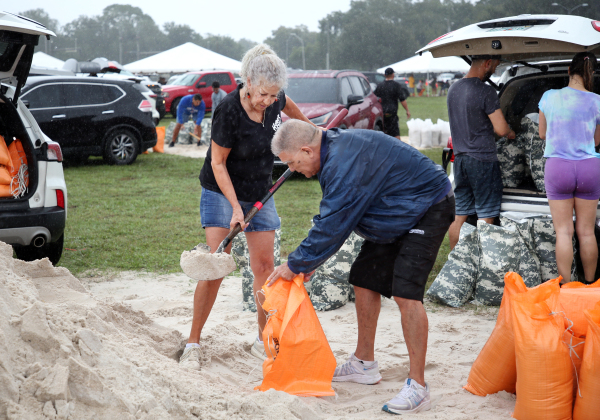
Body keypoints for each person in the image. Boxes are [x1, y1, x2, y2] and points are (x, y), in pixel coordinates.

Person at [267, 120, 455, 415]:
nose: (293, 170)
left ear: (306, 149)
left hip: (427, 206)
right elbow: (335, 218)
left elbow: (333, 225)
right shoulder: (332, 151)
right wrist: (310, 260)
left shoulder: (343, 163)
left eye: (292, 163)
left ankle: (418, 386)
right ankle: (364, 363)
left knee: (406, 293)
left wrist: (297, 263)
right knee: (363, 279)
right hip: (392, 210)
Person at [178, 44, 315, 370]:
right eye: (263, 95)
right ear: (249, 81)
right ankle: (193, 343)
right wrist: (234, 208)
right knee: (215, 266)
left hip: (259, 191)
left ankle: (263, 340)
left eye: (273, 96)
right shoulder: (228, 110)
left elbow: (292, 110)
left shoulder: (275, 98)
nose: (268, 102)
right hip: (220, 188)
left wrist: (313, 134)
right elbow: (218, 162)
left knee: (265, 267)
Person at [539, 52, 600, 284]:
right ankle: (591, 285)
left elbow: (542, 133)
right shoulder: (597, 101)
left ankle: (565, 287)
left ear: (568, 71)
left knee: (564, 232)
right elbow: (595, 141)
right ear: (590, 73)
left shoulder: (548, 97)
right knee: (586, 232)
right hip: (589, 169)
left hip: (558, 168)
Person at [446, 55, 515, 249]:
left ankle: (456, 261)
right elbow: (501, 129)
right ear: (486, 63)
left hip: (460, 160)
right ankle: (482, 264)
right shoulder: (486, 91)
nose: (494, 70)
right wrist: (511, 132)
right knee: (486, 214)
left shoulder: (453, 89)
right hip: (483, 161)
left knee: (460, 215)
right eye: (494, 66)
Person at [374, 68, 411, 140]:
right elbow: (402, 100)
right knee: (395, 133)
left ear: (385, 75)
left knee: (384, 133)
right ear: (393, 75)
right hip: (392, 112)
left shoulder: (380, 86)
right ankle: (397, 149)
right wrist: (407, 110)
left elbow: (375, 98)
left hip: (382, 112)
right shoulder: (396, 85)